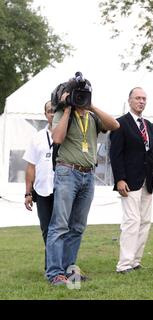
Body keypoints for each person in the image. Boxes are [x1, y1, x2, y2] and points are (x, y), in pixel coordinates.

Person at [45, 91, 120, 286]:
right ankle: (54, 273)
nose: (80, 98)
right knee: (60, 225)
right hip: (67, 172)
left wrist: (92, 106)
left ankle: (69, 271)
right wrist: (68, 108)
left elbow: (115, 125)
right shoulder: (62, 114)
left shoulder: (93, 117)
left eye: (83, 94)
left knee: (77, 227)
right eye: (77, 95)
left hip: (88, 175)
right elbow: (58, 138)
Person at [110, 87, 153, 274]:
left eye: (144, 98)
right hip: (129, 181)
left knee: (145, 221)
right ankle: (123, 264)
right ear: (130, 100)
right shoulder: (120, 124)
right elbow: (115, 155)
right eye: (137, 98)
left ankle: (135, 261)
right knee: (132, 221)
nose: (141, 101)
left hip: (147, 182)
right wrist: (119, 179)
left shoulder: (149, 125)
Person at [23, 101, 55, 270]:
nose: (52, 113)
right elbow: (30, 167)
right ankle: (52, 265)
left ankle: (56, 266)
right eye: (50, 111)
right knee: (46, 229)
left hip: (63, 189)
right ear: (45, 114)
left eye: (55, 111)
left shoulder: (66, 135)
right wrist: (27, 193)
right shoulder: (36, 138)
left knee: (63, 229)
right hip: (42, 190)